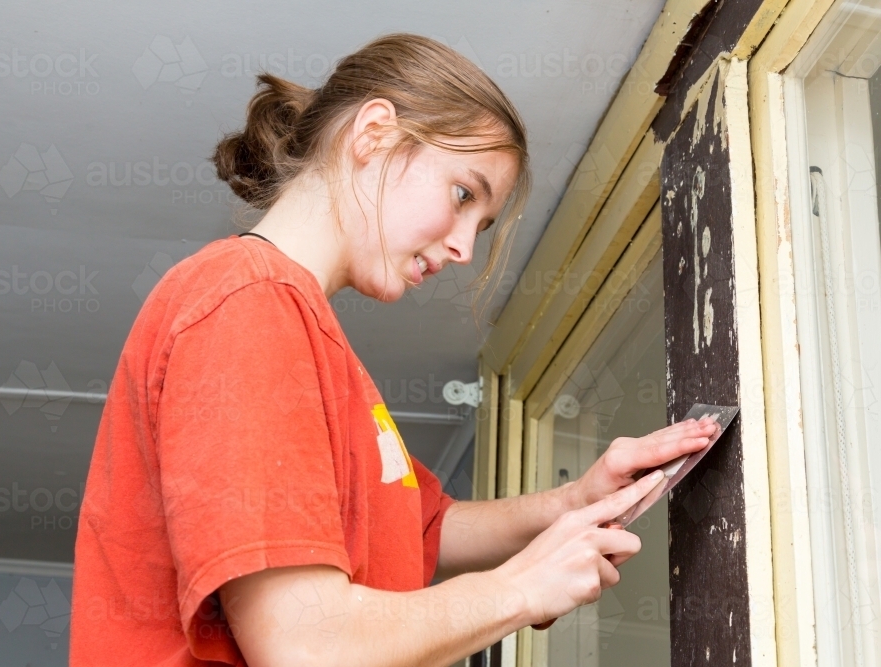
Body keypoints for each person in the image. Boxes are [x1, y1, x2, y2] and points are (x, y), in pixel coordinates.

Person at [69, 32, 718, 667]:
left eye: (481, 224)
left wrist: (576, 500)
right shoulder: (247, 300)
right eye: (464, 194)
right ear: (373, 133)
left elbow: (422, 528)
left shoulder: (316, 345)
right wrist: (518, 587)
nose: (465, 248)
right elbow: (304, 643)